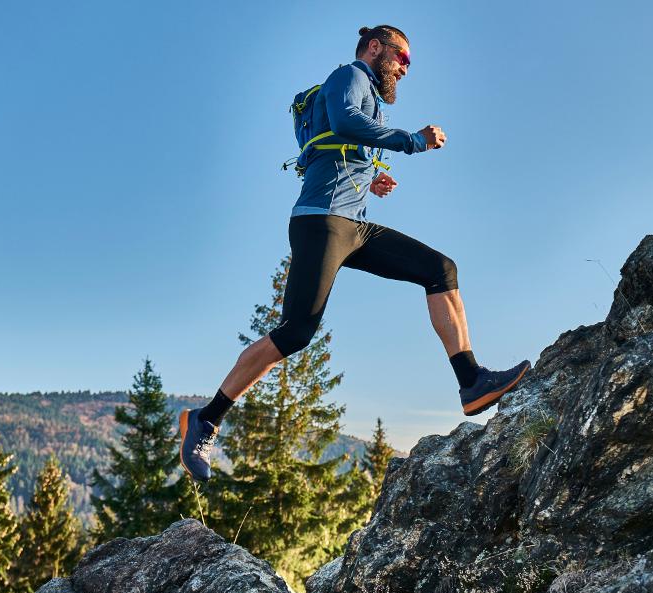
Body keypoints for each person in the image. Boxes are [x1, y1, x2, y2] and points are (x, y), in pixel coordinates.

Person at [179, 25, 531, 482]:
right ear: (375, 47)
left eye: (407, 63)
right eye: (401, 57)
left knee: (439, 269)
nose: (404, 68)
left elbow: (344, 146)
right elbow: (344, 122)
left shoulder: (373, 99)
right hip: (320, 221)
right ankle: (204, 419)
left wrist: (372, 178)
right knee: (297, 331)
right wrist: (413, 140)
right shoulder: (349, 75)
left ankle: (471, 381)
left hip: (353, 225)